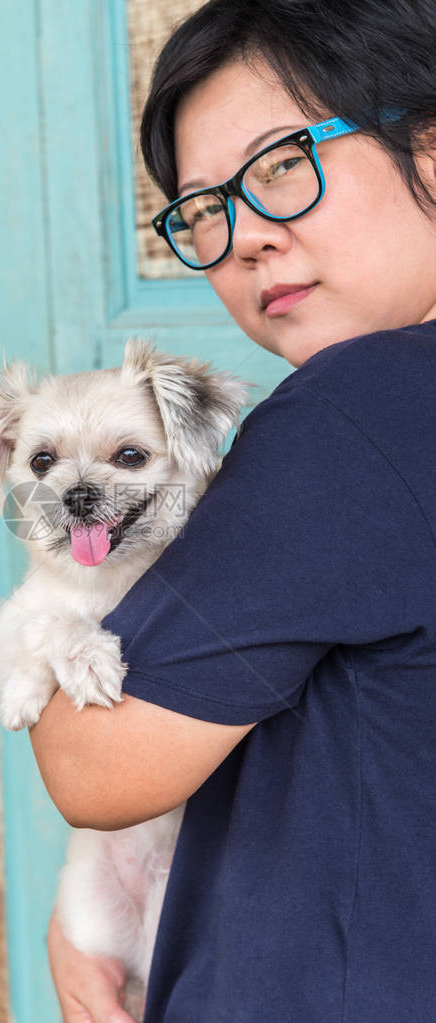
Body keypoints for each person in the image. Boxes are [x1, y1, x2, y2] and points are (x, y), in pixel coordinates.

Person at [29, 0, 436, 1020]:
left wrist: (91, 900)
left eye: (281, 164)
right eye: (202, 209)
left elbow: (96, 766)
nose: (244, 237)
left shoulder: (360, 408)